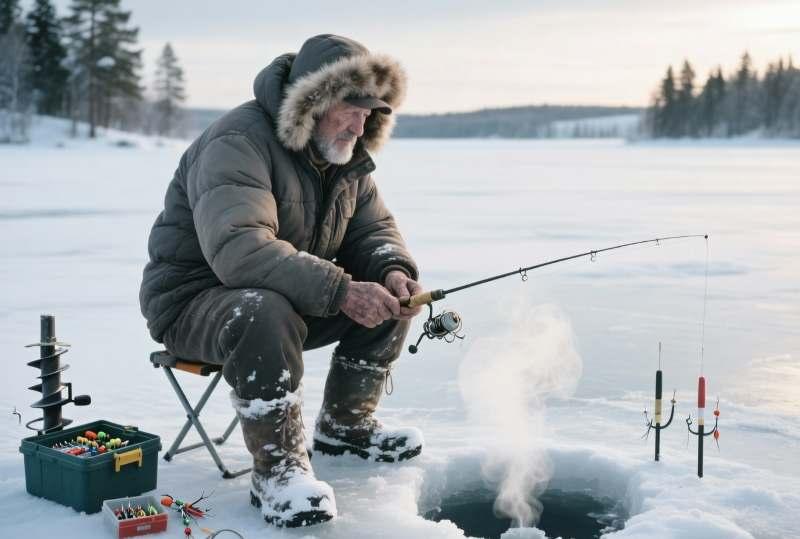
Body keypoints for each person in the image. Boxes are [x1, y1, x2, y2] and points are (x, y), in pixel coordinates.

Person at [139, 34, 424, 527]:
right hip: (193, 305)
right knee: (264, 308)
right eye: (350, 109)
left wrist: (394, 271)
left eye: (371, 111)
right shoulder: (238, 142)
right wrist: (340, 290)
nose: (362, 123)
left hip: (287, 298)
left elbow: (374, 231)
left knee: (392, 297)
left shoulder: (344, 156)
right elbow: (240, 251)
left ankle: (345, 428)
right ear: (313, 101)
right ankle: (279, 471)